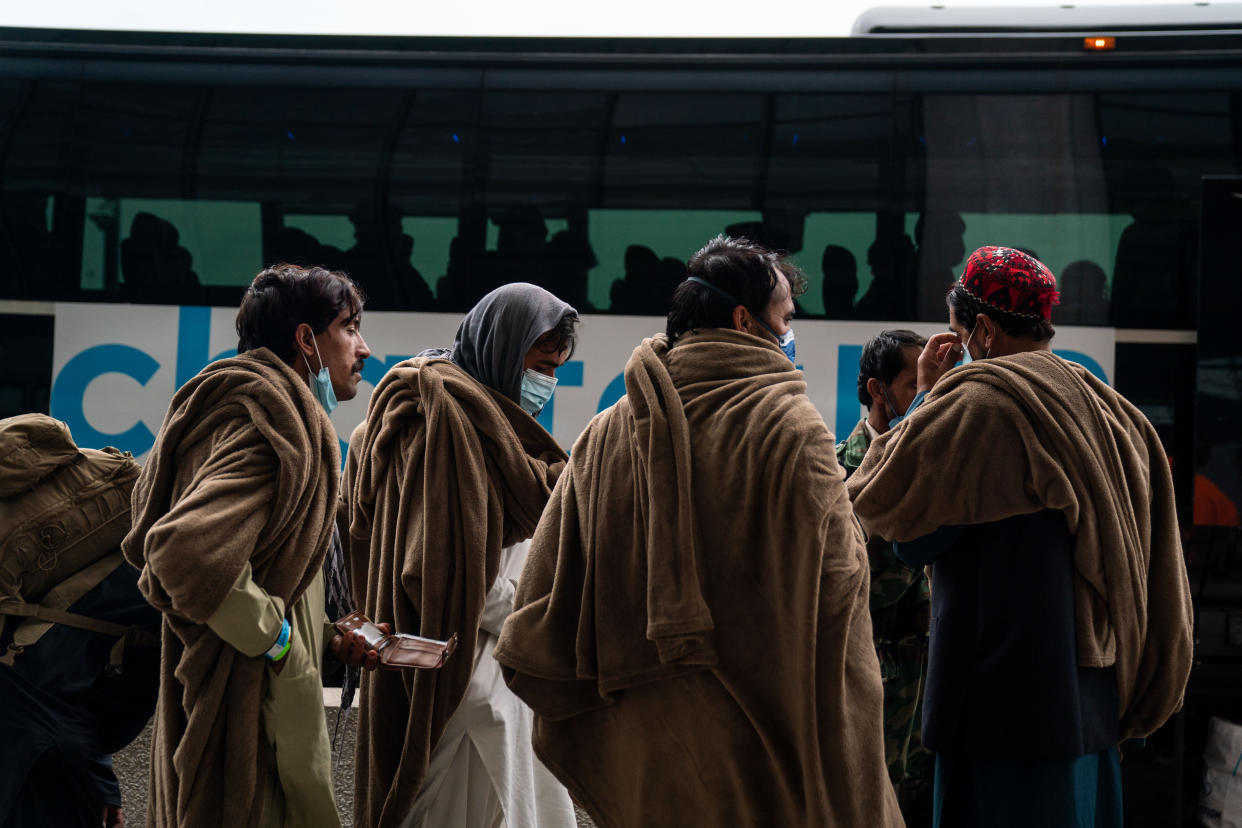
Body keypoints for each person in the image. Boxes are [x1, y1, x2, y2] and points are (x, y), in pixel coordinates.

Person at [494, 236, 902, 827]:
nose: (790, 334)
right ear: (745, 320)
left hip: (643, 744)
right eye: (785, 319)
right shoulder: (790, 425)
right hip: (760, 744)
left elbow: (543, 595)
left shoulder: (608, 429)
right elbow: (838, 593)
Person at [847, 247, 1194, 827]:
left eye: (959, 333)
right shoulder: (1109, 407)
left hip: (998, 710)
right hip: (1091, 696)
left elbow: (901, 527)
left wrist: (928, 396)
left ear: (981, 329)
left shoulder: (980, 405)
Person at [122, 263, 384, 828]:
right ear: (306, 340)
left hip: (246, 706)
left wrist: (325, 637)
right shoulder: (270, 426)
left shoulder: (246, 409)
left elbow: (264, 566)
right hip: (249, 723)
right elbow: (183, 551)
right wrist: (280, 642)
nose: (364, 348)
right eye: (349, 326)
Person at [343, 282, 579, 828]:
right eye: (540, 365)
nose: (547, 382)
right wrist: (546, 610)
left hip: (493, 674)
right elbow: (444, 572)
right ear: (503, 348)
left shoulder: (486, 425)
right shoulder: (448, 428)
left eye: (556, 369)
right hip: (462, 683)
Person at [836, 329, 933, 825]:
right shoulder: (836, 473)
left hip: (931, 712)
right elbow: (860, 584)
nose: (928, 395)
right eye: (915, 383)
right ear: (878, 390)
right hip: (874, 706)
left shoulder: (942, 468)